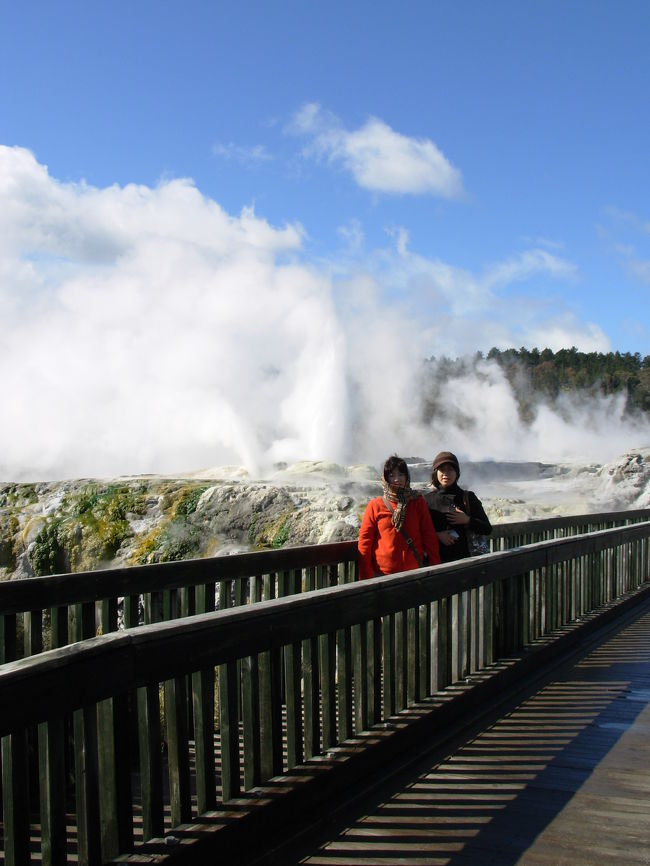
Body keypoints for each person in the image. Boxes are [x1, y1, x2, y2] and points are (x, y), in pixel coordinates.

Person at [358, 455, 441, 580]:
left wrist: (435, 568)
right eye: (392, 475)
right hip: (382, 576)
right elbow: (365, 542)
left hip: (413, 575)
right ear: (385, 479)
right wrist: (365, 577)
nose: (397, 479)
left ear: (407, 477)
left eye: (401, 475)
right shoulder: (375, 506)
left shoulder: (417, 502)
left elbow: (428, 535)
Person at [424, 451, 492, 563]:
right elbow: (420, 531)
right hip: (436, 565)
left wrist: (467, 520)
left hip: (466, 562)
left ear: (457, 473)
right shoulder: (427, 500)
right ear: (436, 473)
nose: (446, 473)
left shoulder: (468, 497)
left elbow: (487, 529)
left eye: (450, 469)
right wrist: (437, 535)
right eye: (442, 469)